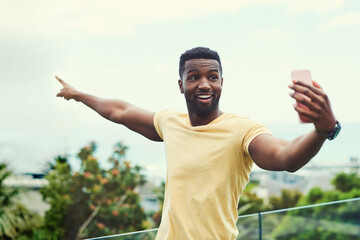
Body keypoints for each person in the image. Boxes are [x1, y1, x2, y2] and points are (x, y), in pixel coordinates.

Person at [56, 47, 341, 240]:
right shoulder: (170, 122)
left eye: (212, 77)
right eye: (194, 77)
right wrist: (79, 95)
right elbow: (120, 111)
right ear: (180, 84)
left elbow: (285, 158)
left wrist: (324, 130)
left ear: (221, 83)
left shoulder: (242, 129)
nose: (204, 84)